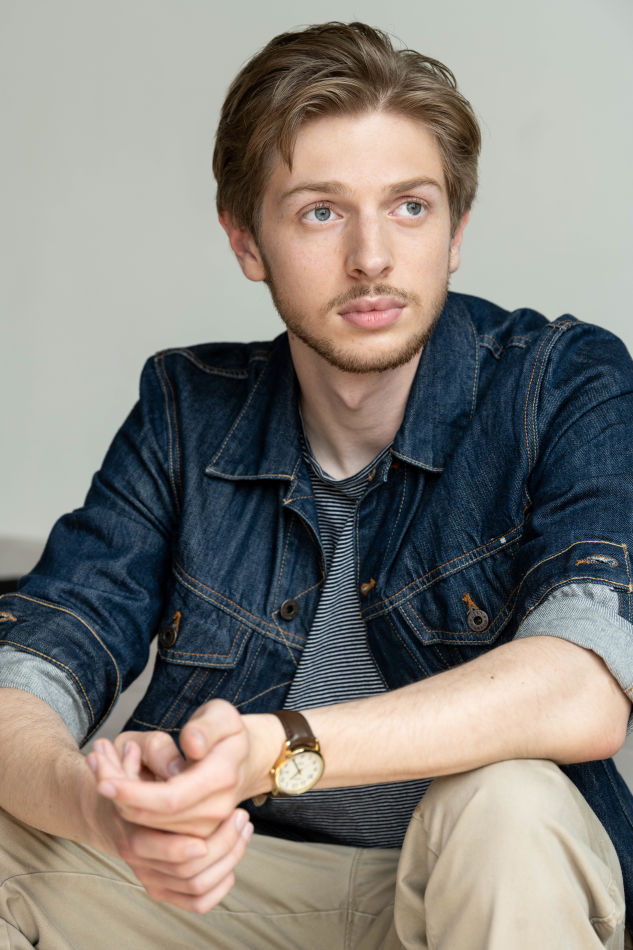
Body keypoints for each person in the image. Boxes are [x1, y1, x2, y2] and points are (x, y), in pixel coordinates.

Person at [1, 20, 633, 950]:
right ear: (247, 241)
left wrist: (280, 746)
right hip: (254, 889)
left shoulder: (561, 383)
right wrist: (112, 819)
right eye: (320, 212)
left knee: (505, 804)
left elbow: (582, 688)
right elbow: (28, 675)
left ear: (456, 232)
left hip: (483, 884)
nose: (371, 256)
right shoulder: (186, 411)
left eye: (409, 207)